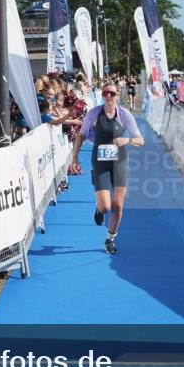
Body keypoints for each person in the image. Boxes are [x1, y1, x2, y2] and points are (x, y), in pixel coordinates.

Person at [70, 81, 144, 255]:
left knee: (118, 206)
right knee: (105, 207)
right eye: (105, 93)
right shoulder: (94, 113)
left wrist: (128, 140)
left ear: (118, 95)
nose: (108, 96)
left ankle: (110, 239)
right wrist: (75, 157)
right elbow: (80, 135)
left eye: (112, 93)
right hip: (100, 161)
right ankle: (98, 207)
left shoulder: (124, 114)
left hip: (119, 162)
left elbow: (140, 140)